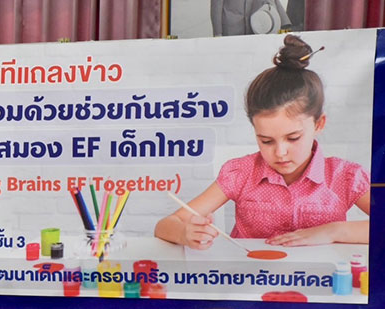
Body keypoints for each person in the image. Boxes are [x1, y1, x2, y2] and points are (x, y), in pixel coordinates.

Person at [155, 34, 370, 249]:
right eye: (266, 141)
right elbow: (165, 226)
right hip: (248, 270)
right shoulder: (241, 173)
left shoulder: (345, 177)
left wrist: (333, 231)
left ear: (319, 124)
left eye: (293, 138)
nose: (280, 152)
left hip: (321, 271)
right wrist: (185, 233)